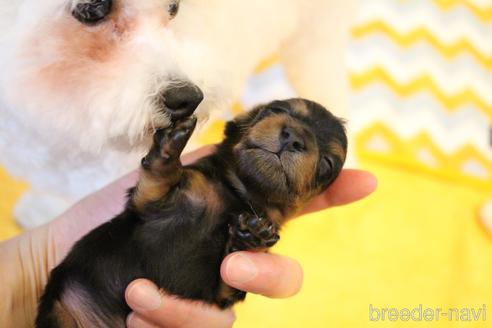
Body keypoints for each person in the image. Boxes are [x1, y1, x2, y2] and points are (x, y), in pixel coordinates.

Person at [0, 146, 377, 328]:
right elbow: (146, 197)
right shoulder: (192, 178)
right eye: (283, 115)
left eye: (324, 161)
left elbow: (224, 291)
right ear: (241, 126)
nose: (294, 140)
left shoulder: (252, 229)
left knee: (233, 279)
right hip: (71, 293)